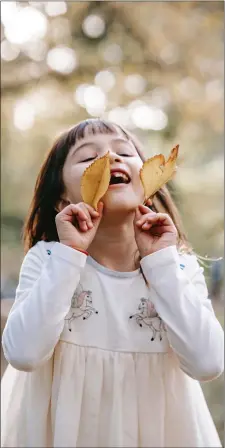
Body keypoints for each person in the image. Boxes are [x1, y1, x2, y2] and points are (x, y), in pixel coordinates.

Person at [1, 118, 224, 448]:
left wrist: (160, 264)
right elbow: (23, 354)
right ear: (62, 199)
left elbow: (208, 363)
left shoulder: (177, 267)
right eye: (87, 156)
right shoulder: (49, 260)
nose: (110, 157)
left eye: (124, 151)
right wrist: (70, 255)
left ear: (149, 180)